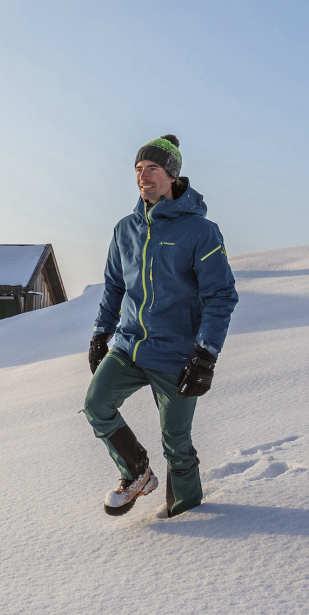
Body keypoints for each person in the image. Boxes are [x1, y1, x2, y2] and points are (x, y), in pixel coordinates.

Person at [85, 135, 239, 518]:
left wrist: (205, 355)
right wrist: (101, 332)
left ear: (172, 175)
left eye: (152, 168)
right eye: (138, 169)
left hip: (176, 354)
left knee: (177, 443)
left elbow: (221, 296)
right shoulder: (125, 230)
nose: (143, 176)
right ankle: (136, 473)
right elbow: (115, 287)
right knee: (96, 404)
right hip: (129, 346)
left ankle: (188, 517)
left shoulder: (200, 232)